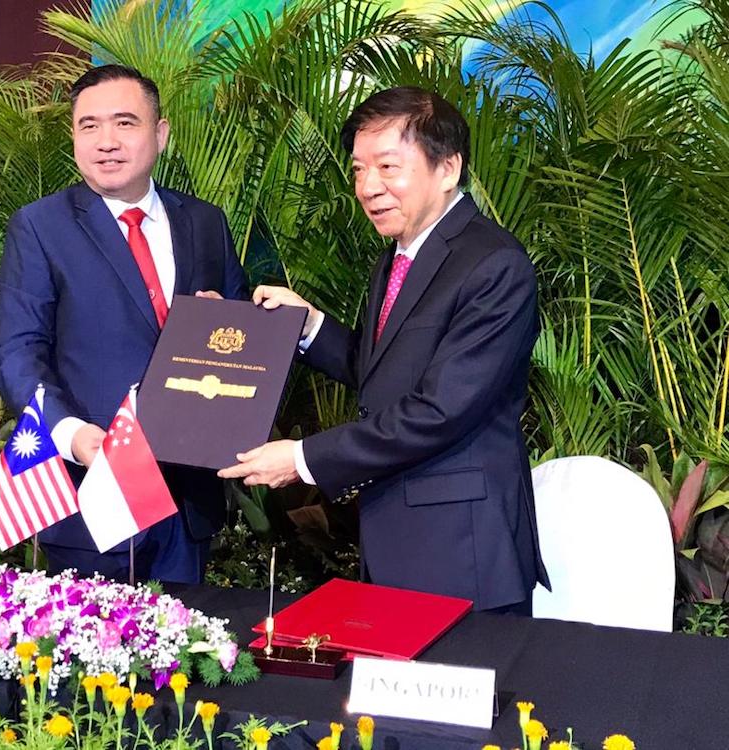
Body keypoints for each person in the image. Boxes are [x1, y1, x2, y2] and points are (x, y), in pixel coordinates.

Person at [219, 86, 549, 612]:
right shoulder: (397, 257)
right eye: (357, 170)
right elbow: (382, 374)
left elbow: (440, 410)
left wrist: (303, 458)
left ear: (448, 169)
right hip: (397, 539)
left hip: (461, 556)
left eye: (388, 167)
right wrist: (307, 326)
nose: (368, 187)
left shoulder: (493, 265)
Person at [0, 64, 248, 583]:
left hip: (188, 495)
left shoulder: (204, 222)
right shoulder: (40, 226)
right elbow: (17, 351)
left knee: (183, 658)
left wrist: (225, 326)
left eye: (125, 123)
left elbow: (242, 341)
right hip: (92, 494)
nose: (106, 141)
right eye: (89, 126)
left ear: (161, 133)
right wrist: (73, 434)